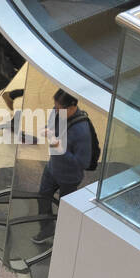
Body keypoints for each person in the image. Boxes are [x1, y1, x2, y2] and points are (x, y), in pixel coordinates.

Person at [34, 91, 97, 244]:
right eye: (55, 107)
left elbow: (81, 162)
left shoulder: (82, 131)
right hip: (52, 168)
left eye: (59, 108)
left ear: (72, 107)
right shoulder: (58, 113)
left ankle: (63, 237)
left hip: (69, 177)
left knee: (65, 208)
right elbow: (51, 126)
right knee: (42, 197)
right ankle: (47, 228)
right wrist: (47, 131)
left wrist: (60, 149)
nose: (55, 111)